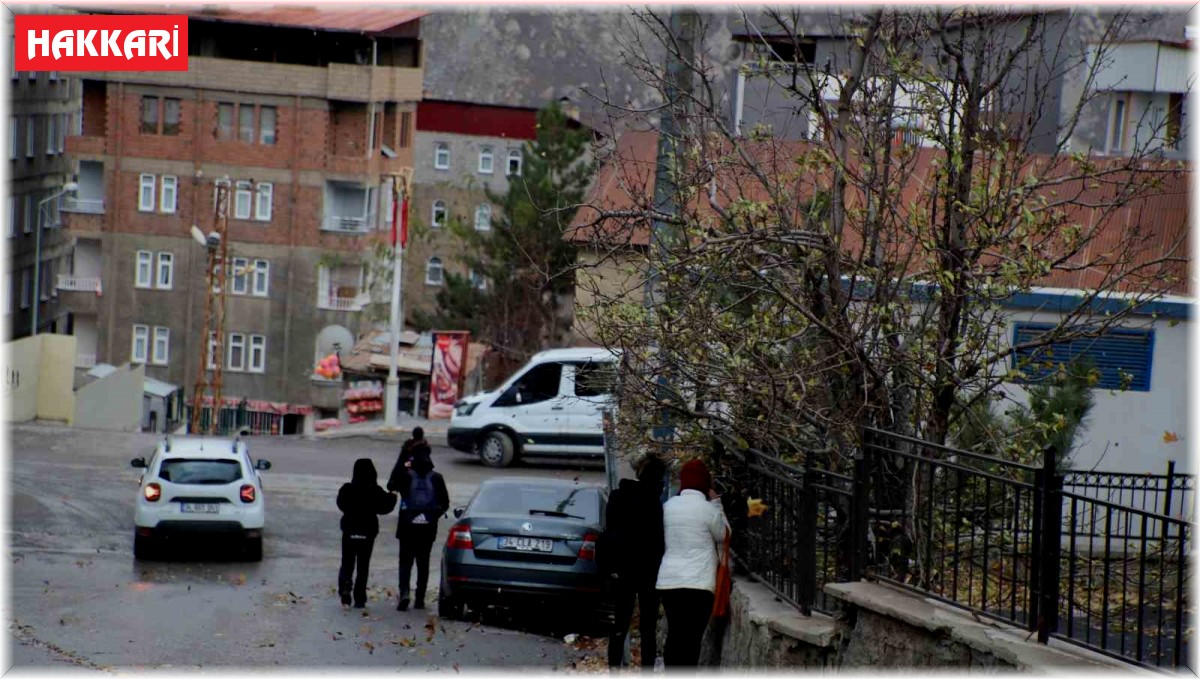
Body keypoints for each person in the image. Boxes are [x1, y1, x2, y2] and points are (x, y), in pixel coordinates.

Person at [655, 459, 729, 667]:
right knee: (692, 638)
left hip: (669, 583)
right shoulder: (708, 509)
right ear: (706, 484)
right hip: (699, 584)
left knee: (675, 634)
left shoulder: (667, 507)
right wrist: (717, 503)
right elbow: (724, 534)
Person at [602, 455, 667, 669]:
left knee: (619, 626)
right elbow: (658, 542)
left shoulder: (618, 497)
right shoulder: (655, 503)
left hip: (623, 571)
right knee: (648, 629)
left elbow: (611, 533)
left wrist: (612, 567)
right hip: (649, 573)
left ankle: (614, 670)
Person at [336, 458, 397, 608]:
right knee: (363, 565)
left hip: (349, 530)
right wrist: (393, 495)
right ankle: (359, 597)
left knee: (347, 562)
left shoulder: (347, 489)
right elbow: (385, 508)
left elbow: (341, 504)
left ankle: (345, 587)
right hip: (367, 532)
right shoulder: (375, 491)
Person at [394, 451, 449, 611]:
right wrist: (431, 516)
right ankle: (420, 599)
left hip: (406, 527)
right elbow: (445, 503)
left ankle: (404, 593)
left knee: (405, 562)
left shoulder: (406, 476)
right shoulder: (437, 478)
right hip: (427, 528)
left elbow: (392, 485)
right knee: (423, 563)